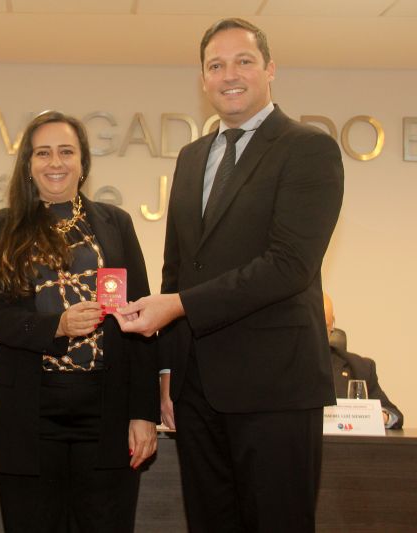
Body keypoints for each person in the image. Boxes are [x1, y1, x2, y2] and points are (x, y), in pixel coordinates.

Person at [115, 18, 344, 532]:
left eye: (243, 61)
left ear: (270, 69)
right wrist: (168, 375)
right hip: (196, 391)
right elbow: (177, 270)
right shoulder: (192, 158)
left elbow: (290, 265)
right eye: (216, 65)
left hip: (276, 388)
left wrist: (179, 306)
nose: (229, 75)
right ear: (203, 80)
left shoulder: (307, 147)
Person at [0, 111, 158, 533]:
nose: (55, 162)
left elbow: (142, 320)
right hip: (30, 410)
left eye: (66, 152)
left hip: (107, 412)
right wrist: (56, 327)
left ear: (83, 162)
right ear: (28, 164)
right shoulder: (3, 225)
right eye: (43, 153)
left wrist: (143, 413)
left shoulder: (116, 223)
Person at [324, 293, 404, 429]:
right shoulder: (284, 366)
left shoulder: (359, 368)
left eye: (323, 326)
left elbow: (394, 415)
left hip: (341, 442)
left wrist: (379, 416)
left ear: (332, 325)